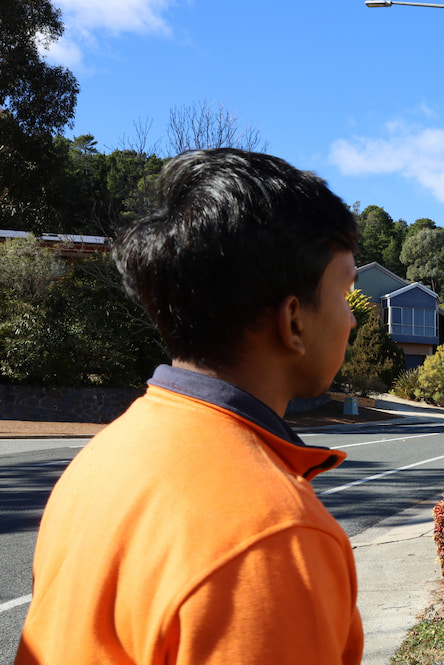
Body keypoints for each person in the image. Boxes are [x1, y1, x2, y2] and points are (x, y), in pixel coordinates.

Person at [15, 149, 363, 665]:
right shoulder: (273, 540)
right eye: (345, 291)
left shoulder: (104, 456)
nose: (352, 320)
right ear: (293, 320)